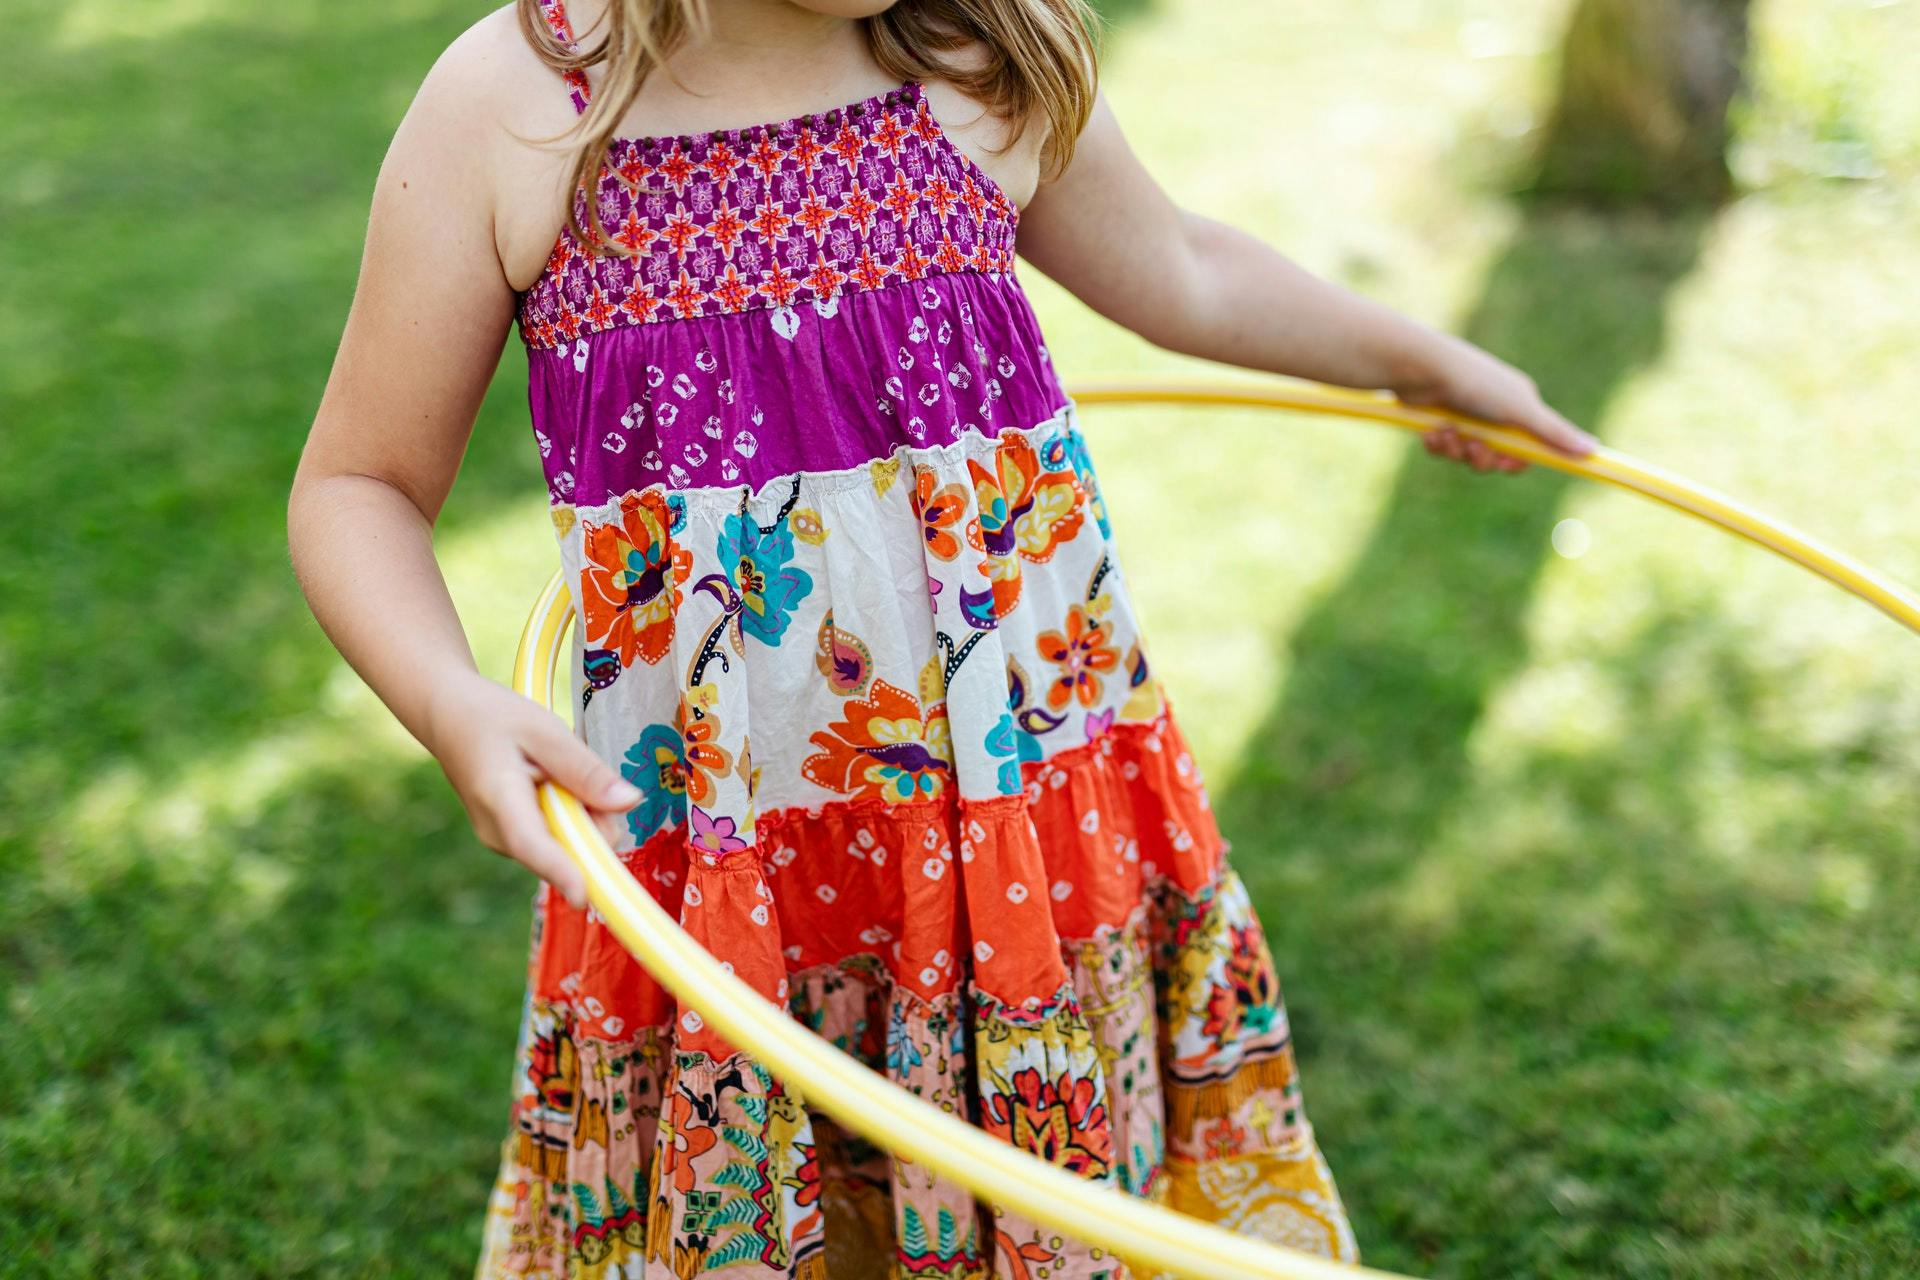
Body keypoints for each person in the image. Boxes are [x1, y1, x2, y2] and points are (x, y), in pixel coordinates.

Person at [286, 0, 1595, 1275]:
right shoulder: (521, 107)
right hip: (731, 848)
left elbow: (1186, 269)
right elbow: (360, 486)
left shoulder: (982, 51)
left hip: (1021, 815)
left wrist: (1423, 362)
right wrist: (450, 702)